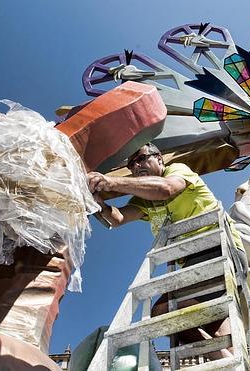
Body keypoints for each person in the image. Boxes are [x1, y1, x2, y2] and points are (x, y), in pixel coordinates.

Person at [87, 142, 240, 360]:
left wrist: (110, 181)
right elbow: (118, 218)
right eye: (131, 164)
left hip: (217, 246)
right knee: (212, 329)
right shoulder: (144, 198)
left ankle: (224, 359)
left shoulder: (176, 170)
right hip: (195, 259)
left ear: (159, 159)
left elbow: (166, 188)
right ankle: (231, 361)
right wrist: (95, 201)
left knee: (162, 313)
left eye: (141, 158)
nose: (136, 166)